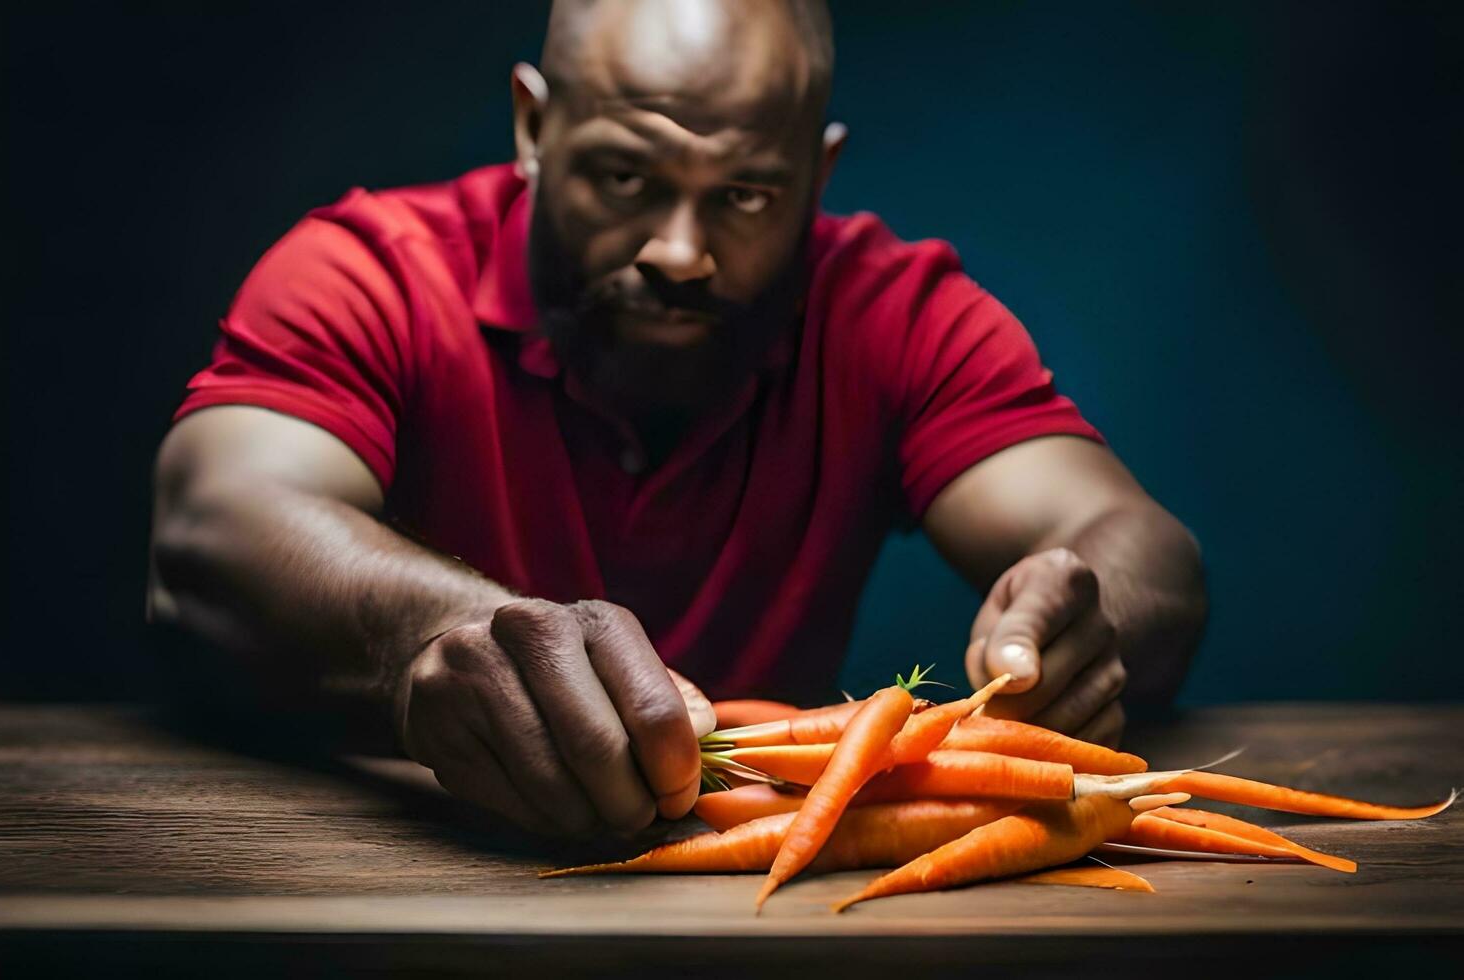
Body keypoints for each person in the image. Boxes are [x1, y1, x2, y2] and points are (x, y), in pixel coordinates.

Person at [148, 0, 1206, 838]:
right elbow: (218, 521)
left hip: (772, 911)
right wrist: (427, 629)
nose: (682, 252)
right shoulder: (368, 272)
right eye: (624, 174)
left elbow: (1141, 544)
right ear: (533, 126)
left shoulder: (893, 313)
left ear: (817, 175)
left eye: (747, 194)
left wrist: (1077, 618)